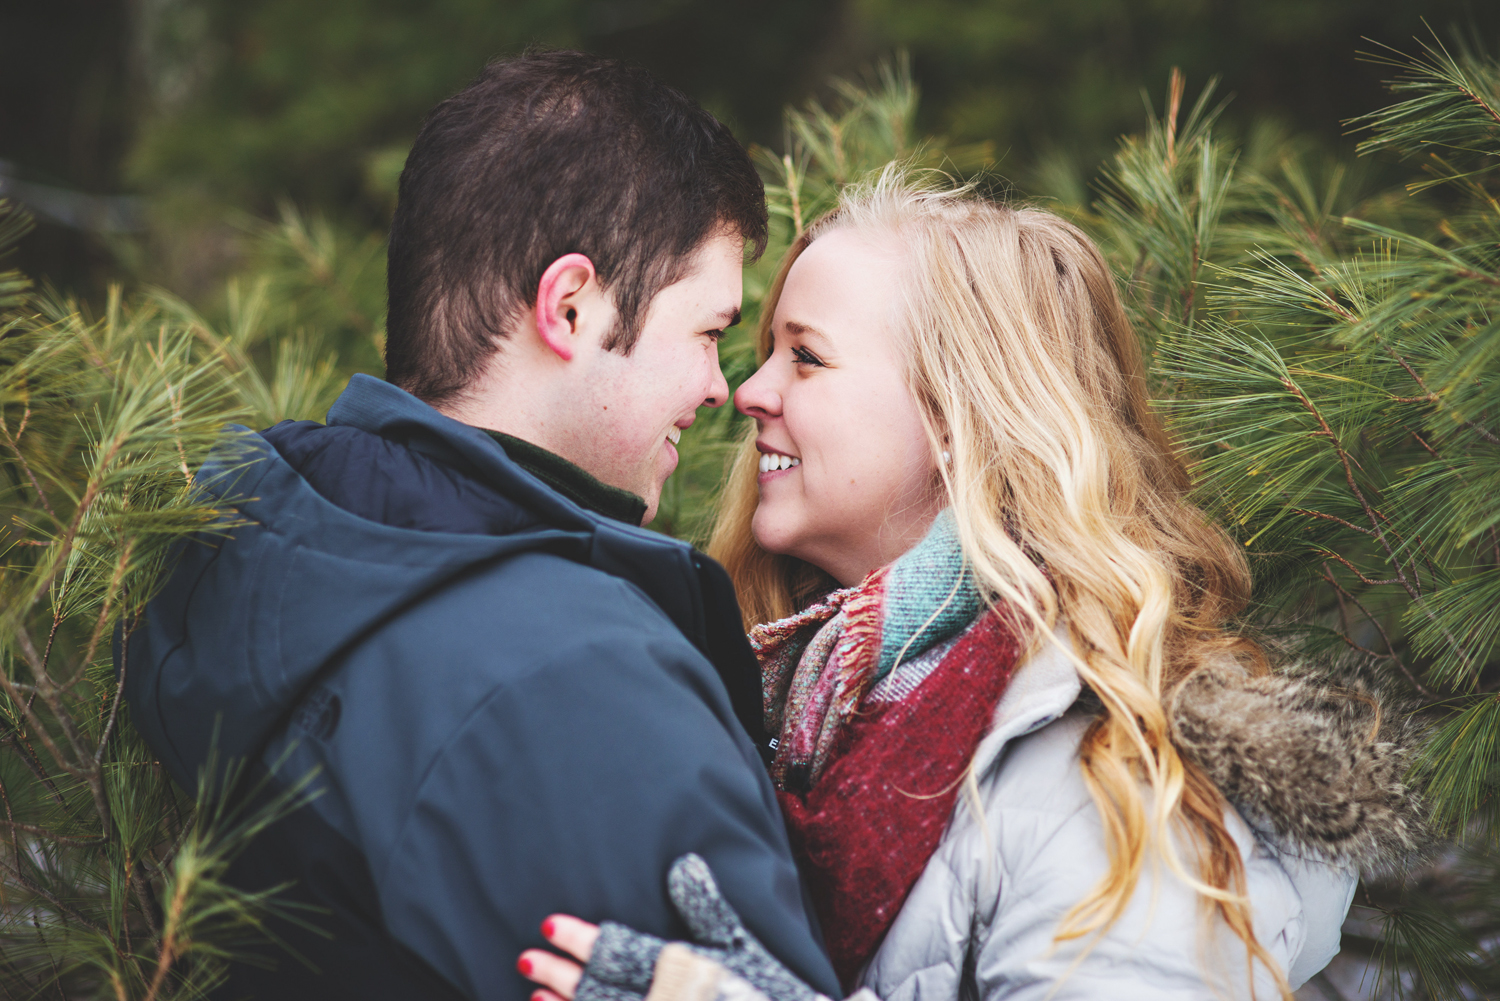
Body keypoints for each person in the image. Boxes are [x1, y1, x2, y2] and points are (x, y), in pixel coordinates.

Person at [519, 168, 1427, 1001]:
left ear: (960, 419)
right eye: (765, 350)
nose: (749, 390)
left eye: (807, 356)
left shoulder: (1106, 789)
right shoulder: (786, 707)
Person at [121, 51, 843, 1001]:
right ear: (570, 306)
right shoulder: (580, 679)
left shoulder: (269, 553)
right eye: (707, 333)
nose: (721, 387)